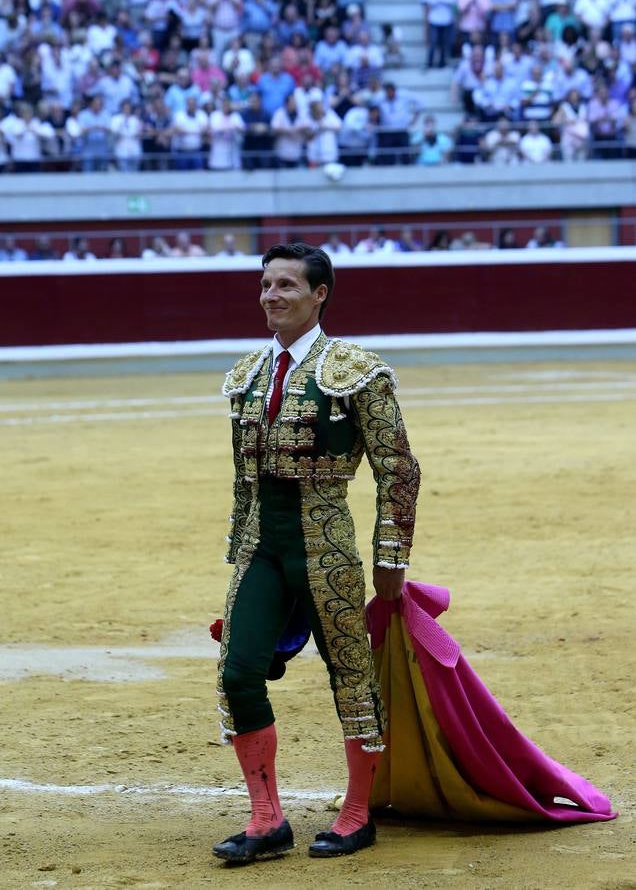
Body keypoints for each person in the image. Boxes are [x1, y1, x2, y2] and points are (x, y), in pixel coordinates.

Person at [213, 242, 420, 864]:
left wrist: (391, 557)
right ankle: (266, 818)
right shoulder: (247, 373)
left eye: (286, 286)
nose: (272, 296)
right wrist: (238, 546)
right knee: (238, 673)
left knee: (350, 679)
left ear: (319, 294)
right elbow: (243, 478)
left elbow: (399, 470)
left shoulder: (358, 369)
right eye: (265, 285)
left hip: (325, 546)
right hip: (262, 549)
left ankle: (357, 813)